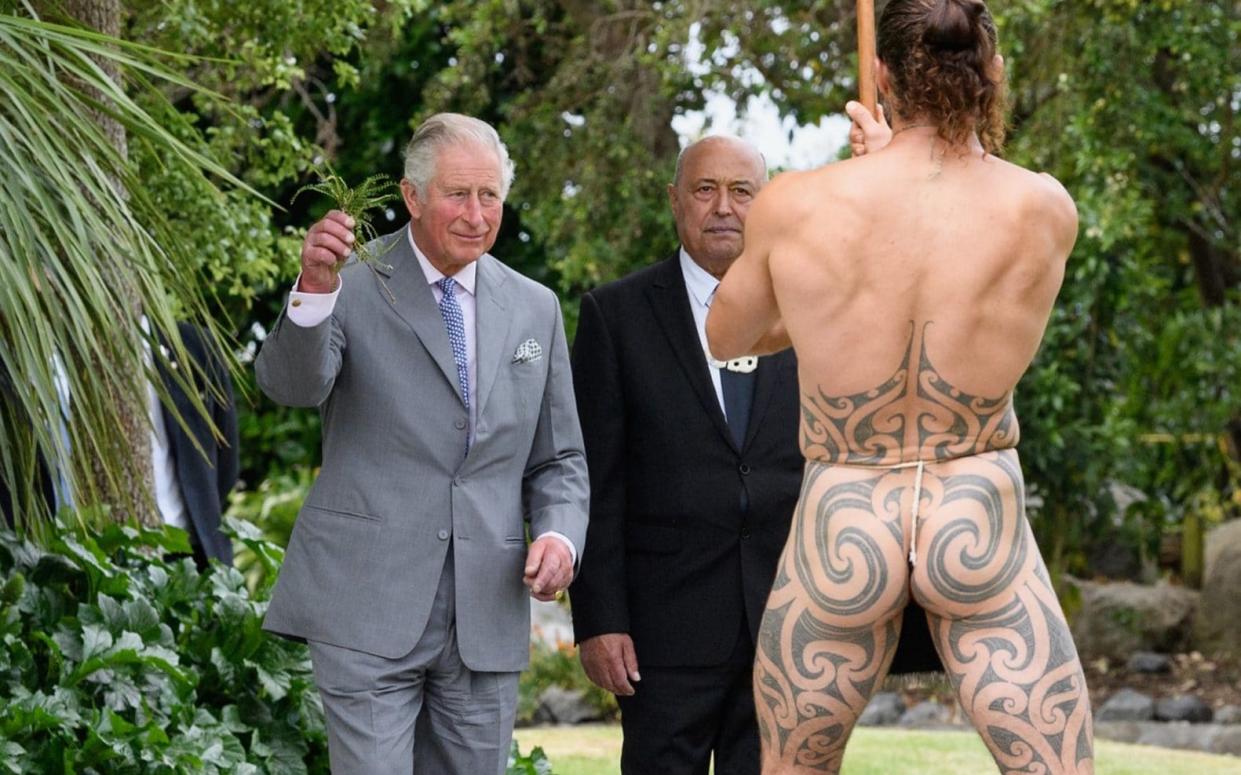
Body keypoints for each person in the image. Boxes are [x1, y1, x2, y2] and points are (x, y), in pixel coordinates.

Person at [705, 1, 1093, 773]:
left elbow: (727, 337)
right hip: (973, 502)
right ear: (991, 71)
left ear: (881, 75)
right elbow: (945, 221)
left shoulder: (795, 203)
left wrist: (816, 311)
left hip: (845, 509)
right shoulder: (1042, 208)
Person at [255, 113, 589, 774]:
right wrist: (314, 292)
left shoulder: (535, 307)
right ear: (412, 197)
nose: (476, 213)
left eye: (488, 195)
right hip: (365, 604)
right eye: (456, 194)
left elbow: (559, 459)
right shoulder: (349, 280)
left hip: (485, 613)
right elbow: (290, 387)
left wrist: (558, 534)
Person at [569, 136, 804, 774]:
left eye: (741, 191)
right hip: (660, 635)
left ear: (766, 204)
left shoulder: (810, 312)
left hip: (783, 628)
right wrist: (598, 619)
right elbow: (593, 480)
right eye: (705, 190)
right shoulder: (614, 316)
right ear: (675, 202)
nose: (723, 207)